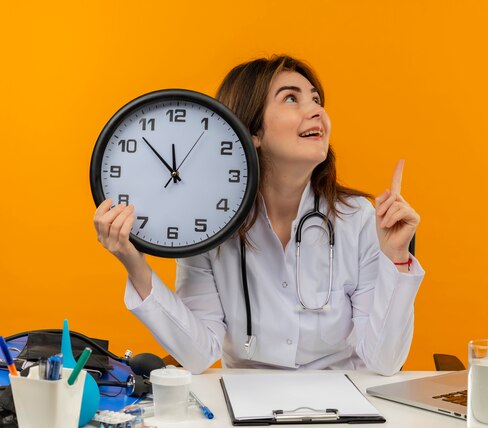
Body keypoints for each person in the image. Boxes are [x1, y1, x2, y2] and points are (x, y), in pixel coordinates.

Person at [94, 55, 424, 376]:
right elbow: (197, 354)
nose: (317, 111)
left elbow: (384, 361)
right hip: (245, 407)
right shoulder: (210, 228)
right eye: (292, 99)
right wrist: (133, 262)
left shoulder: (359, 219)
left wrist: (396, 258)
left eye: (317, 99)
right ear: (252, 131)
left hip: (342, 405)